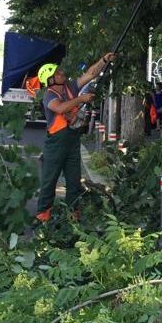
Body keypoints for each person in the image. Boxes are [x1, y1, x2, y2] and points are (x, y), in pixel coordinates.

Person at [34, 52, 117, 223]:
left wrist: (103, 60)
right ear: (49, 80)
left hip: (72, 140)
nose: (61, 74)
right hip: (55, 143)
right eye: (56, 73)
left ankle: (74, 217)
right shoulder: (49, 95)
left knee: (74, 181)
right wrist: (80, 99)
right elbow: (60, 109)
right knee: (49, 181)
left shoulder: (70, 87)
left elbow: (90, 74)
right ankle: (42, 219)